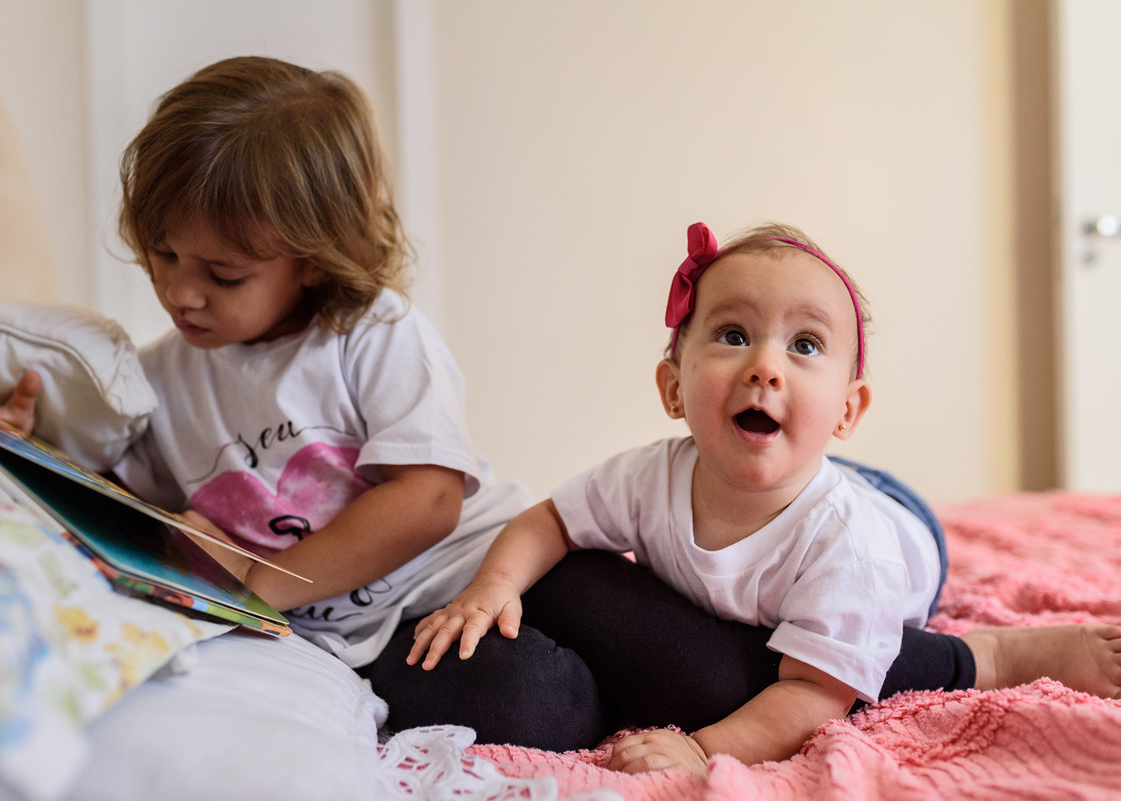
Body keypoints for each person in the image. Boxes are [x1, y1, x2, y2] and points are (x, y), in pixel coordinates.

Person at [0, 57, 599, 743]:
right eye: (162, 254)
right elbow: (118, 507)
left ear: (312, 261)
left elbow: (429, 499)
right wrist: (14, 448)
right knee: (536, 701)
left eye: (223, 274)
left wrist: (257, 584)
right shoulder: (157, 382)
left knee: (660, 637)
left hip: (484, 562)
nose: (181, 293)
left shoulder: (372, 331)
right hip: (376, 642)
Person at [409, 221, 1121, 774]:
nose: (765, 366)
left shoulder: (854, 549)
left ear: (848, 409)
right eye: (733, 335)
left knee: (853, 648)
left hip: (900, 521)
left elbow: (814, 693)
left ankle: (994, 654)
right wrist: (492, 585)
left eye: (804, 345)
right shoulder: (648, 477)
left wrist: (704, 748)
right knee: (777, 470)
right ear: (672, 388)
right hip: (799, 470)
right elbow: (553, 520)